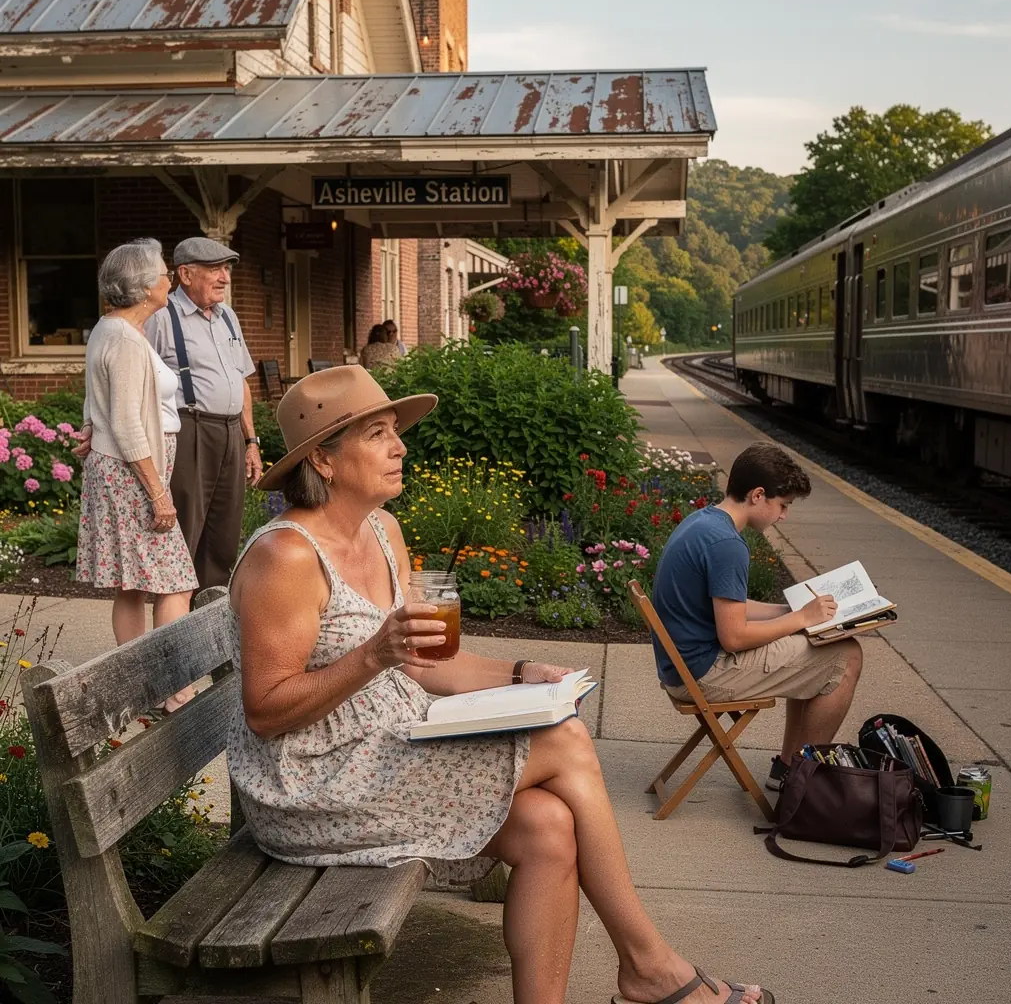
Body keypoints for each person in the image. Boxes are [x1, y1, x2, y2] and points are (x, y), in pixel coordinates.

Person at [226, 366, 773, 1004]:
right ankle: (649, 966)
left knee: (548, 826)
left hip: (384, 751)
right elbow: (265, 711)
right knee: (565, 739)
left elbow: (425, 664)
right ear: (322, 457)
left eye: (395, 432)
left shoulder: (383, 531)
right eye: (377, 435)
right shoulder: (285, 557)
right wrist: (373, 656)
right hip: (312, 786)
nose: (401, 446)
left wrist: (521, 674)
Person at [652, 443, 863, 792]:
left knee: (812, 647)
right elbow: (733, 637)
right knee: (846, 655)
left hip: (681, 667)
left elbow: (733, 604)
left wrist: (791, 611)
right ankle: (801, 780)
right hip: (703, 674)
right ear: (758, 495)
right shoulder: (727, 545)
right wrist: (801, 620)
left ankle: (788, 768)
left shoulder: (704, 521)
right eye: (783, 505)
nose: (784, 516)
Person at [74, 238, 198, 710]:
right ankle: (171, 685)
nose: (170, 279)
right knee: (175, 582)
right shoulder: (125, 339)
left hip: (119, 467)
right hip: (133, 474)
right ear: (146, 287)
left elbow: (97, 395)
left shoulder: (109, 329)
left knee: (133, 584)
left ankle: (136, 685)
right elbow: (127, 423)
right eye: (165, 273)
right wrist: (159, 495)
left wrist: (89, 425)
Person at [142, 237, 264, 593]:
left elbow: (240, 381)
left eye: (226, 268)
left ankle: (208, 615)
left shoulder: (228, 317)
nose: (224, 277)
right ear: (185, 274)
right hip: (188, 430)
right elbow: (139, 379)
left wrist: (251, 441)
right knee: (187, 531)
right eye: (214, 269)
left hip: (230, 433)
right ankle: (176, 622)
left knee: (224, 533)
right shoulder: (162, 317)